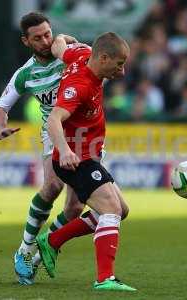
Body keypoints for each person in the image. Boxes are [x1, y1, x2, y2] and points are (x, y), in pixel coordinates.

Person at [0, 12, 98, 285]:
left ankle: (42, 251)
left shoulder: (69, 53)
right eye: (37, 38)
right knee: (52, 186)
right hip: (55, 131)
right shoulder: (25, 74)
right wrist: (0, 127)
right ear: (26, 41)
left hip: (86, 133)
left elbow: (96, 60)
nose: (45, 40)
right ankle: (25, 249)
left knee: (75, 208)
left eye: (48, 34)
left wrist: (68, 41)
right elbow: (1, 107)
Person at [36, 32, 136, 291]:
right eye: (119, 64)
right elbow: (54, 119)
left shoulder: (79, 55)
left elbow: (59, 44)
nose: (122, 71)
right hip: (75, 159)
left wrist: (64, 37)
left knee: (121, 210)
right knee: (111, 210)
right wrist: (65, 150)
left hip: (89, 156)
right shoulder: (79, 85)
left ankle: (53, 240)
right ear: (103, 58)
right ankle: (105, 279)